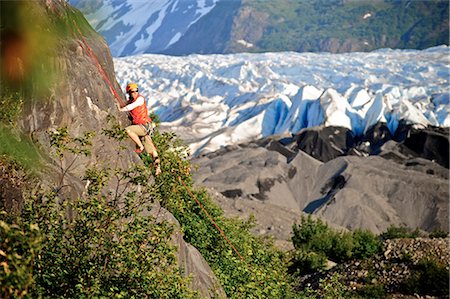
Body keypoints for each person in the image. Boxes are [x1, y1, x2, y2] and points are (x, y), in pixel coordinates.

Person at [118, 82, 161, 175]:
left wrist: (121, 109)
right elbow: (128, 104)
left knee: (128, 130)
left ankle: (141, 147)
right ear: (129, 93)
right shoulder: (131, 101)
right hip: (142, 127)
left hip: (144, 126)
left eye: (136, 91)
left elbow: (131, 107)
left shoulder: (140, 99)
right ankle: (157, 168)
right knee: (152, 149)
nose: (134, 93)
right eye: (132, 92)